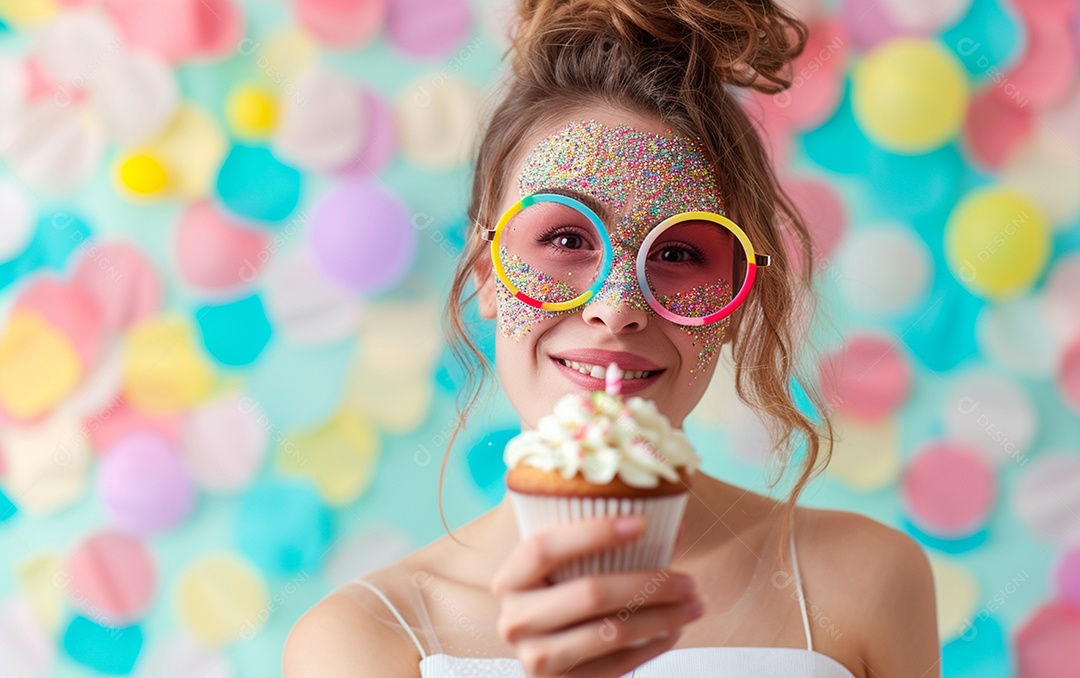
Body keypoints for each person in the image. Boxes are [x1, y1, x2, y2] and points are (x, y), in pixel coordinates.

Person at [283, 0, 940, 676]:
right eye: (566, 239)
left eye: (680, 253)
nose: (618, 307)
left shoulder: (866, 583)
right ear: (487, 274)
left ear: (737, 299)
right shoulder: (360, 643)